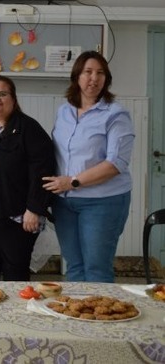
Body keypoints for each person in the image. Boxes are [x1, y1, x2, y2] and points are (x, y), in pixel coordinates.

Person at [42, 51, 135, 282]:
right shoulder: (64, 111)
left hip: (103, 201)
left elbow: (116, 163)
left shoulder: (116, 114)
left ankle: (100, 317)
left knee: (96, 268)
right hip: (65, 202)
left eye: (100, 73)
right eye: (88, 72)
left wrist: (73, 181)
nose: (94, 78)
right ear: (77, 77)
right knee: (74, 266)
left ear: (106, 79)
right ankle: (78, 316)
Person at [0, 75, 56, 282]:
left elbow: (43, 170)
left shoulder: (28, 128)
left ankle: (16, 314)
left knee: (15, 270)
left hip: (16, 217)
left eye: (2, 94)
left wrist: (34, 209)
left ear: (13, 100)